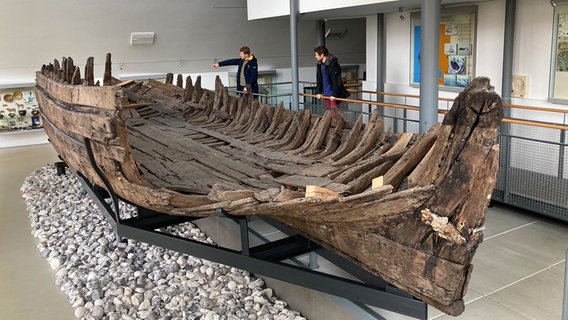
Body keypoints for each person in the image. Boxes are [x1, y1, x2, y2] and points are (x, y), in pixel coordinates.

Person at [314, 45, 350, 117]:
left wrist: (334, 94)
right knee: (328, 114)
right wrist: (318, 92)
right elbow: (319, 79)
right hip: (326, 94)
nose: (315, 56)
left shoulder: (333, 63)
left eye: (317, 54)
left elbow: (336, 80)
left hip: (332, 94)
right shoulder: (320, 64)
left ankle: (335, 127)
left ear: (322, 54)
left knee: (334, 115)